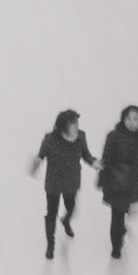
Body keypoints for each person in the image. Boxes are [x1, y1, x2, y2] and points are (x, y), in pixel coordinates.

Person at [30, 109, 96, 258]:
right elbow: (40, 156)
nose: (76, 127)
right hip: (54, 183)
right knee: (51, 213)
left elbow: (86, 154)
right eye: (73, 124)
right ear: (62, 127)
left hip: (71, 181)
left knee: (71, 206)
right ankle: (50, 245)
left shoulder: (81, 137)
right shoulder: (50, 140)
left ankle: (66, 220)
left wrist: (93, 162)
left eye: (77, 124)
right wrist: (36, 164)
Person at [98, 104, 138, 258]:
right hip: (115, 181)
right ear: (123, 119)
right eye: (129, 119)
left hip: (133, 181)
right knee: (117, 215)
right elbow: (106, 157)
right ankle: (116, 245)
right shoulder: (114, 136)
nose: (132, 122)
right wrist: (102, 178)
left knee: (129, 211)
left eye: (135, 119)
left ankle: (122, 229)